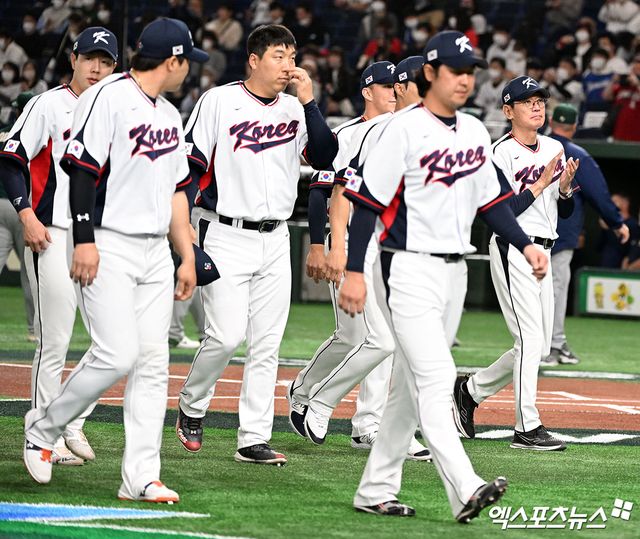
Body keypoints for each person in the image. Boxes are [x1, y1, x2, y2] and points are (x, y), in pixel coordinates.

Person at [339, 31, 549, 521]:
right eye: (456, 70)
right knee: (435, 379)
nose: (465, 79)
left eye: (471, 71)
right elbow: (366, 205)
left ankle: (374, 490)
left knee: (408, 392)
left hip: (455, 271)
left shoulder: (474, 130)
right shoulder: (401, 130)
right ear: (430, 73)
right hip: (406, 266)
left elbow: (493, 202)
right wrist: (353, 271)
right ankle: (466, 488)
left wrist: (525, 244)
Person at [22, 18, 205, 503]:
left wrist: (186, 255)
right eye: (188, 60)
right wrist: (83, 240)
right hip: (107, 241)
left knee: (153, 363)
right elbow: (81, 170)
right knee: (116, 353)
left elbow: (178, 192)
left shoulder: (170, 114)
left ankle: (141, 477)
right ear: (173, 61)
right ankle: (43, 428)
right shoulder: (108, 96)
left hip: (154, 250)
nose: (190, 68)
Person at [176, 24, 337, 465]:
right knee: (225, 336)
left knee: (267, 343)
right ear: (254, 59)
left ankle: (253, 437)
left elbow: (325, 156)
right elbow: (191, 165)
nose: (288, 65)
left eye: (292, 57)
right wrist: (184, 223)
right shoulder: (219, 101)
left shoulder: (294, 108)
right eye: (278, 56)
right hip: (224, 231)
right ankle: (192, 404)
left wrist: (309, 102)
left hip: (276, 235)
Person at [290, 58, 429, 460]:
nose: (394, 92)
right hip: (354, 242)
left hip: (394, 249)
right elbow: (327, 190)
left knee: (375, 340)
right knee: (372, 339)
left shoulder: (416, 133)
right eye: (387, 85)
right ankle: (317, 398)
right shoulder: (353, 134)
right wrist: (325, 245)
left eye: (397, 84)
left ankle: (368, 422)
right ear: (369, 91)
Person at [1, 27, 118, 467]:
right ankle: (42, 436)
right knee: (55, 341)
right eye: (90, 58)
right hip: (53, 233)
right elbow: (11, 159)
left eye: (106, 62)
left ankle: (70, 420)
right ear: (73, 59)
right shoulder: (48, 104)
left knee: (115, 341)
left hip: (102, 237)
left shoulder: (118, 109)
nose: (96, 68)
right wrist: (26, 214)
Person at [453, 76, 578, 452]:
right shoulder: (500, 153)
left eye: (540, 100)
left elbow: (564, 210)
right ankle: (527, 427)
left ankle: (470, 391)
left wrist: (564, 189)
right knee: (528, 340)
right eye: (527, 101)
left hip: (546, 249)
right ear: (508, 111)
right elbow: (502, 211)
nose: (537, 106)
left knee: (538, 347)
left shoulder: (554, 146)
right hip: (514, 248)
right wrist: (540, 184)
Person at [543, 104, 629, 366]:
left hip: (525, 231)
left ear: (550, 121)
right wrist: (616, 222)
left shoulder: (534, 147)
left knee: (532, 290)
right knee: (555, 288)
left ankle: (542, 344)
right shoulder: (576, 154)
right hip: (561, 231)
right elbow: (598, 194)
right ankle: (553, 345)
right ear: (574, 126)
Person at [0, 92, 35, 342]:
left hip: (0, 205)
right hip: (24, 207)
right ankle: (35, 331)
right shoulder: (36, 132)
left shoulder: (3, 132)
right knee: (30, 274)